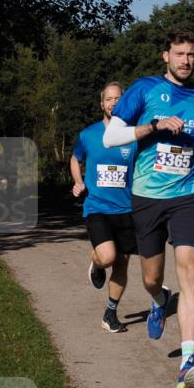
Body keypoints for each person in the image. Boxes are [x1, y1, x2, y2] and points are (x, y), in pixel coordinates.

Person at [103, 31, 194, 388]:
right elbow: (111, 139)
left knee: (191, 272)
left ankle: (188, 362)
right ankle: (158, 300)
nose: (186, 60)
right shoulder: (145, 89)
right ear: (165, 56)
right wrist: (154, 126)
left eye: (191, 55)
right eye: (179, 54)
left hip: (188, 195)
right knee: (152, 278)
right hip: (147, 196)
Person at [71, 81, 138, 334]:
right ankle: (97, 263)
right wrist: (78, 182)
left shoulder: (133, 135)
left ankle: (110, 314)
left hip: (126, 209)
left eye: (118, 98)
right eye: (109, 99)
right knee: (108, 257)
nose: (113, 103)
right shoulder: (89, 134)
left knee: (122, 263)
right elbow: (75, 159)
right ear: (102, 104)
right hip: (97, 207)